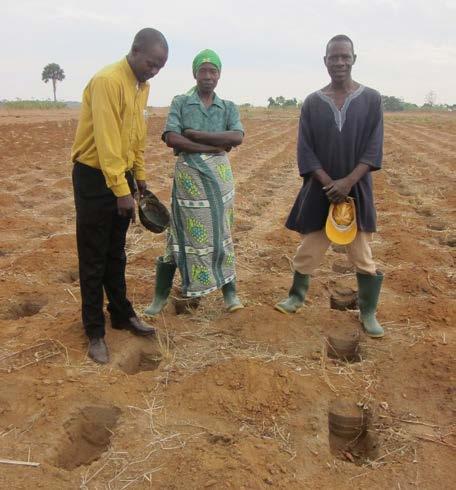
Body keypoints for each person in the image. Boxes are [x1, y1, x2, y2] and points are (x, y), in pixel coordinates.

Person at [274, 35, 385, 338]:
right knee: (309, 248)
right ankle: (296, 296)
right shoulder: (312, 102)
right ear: (325, 61)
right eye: (333, 57)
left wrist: (348, 182)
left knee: (362, 253)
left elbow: (373, 149)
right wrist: (329, 183)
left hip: (357, 189)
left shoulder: (372, 99)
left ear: (353, 59)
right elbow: (305, 150)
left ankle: (368, 312)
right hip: (321, 188)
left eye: (344, 57)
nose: (339, 62)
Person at [71, 28, 168, 363]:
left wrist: (138, 178)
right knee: (93, 254)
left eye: (159, 67)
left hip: (121, 176)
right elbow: (109, 141)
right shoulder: (107, 82)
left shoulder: (142, 86)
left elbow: (135, 137)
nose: (153, 70)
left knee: (116, 252)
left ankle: (121, 314)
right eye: (151, 63)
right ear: (135, 50)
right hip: (95, 177)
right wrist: (120, 189)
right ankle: (94, 330)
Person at [144, 49, 244, 316]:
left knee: (221, 233)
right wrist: (214, 146)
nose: (208, 76)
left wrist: (196, 136)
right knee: (178, 233)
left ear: (219, 75)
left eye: (213, 71)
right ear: (195, 73)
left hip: (219, 180)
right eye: (203, 70)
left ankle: (230, 294)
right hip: (189, 178)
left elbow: (236, 137)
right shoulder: (181, 102)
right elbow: (171, 138)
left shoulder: (228, 107)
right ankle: (159, 297)